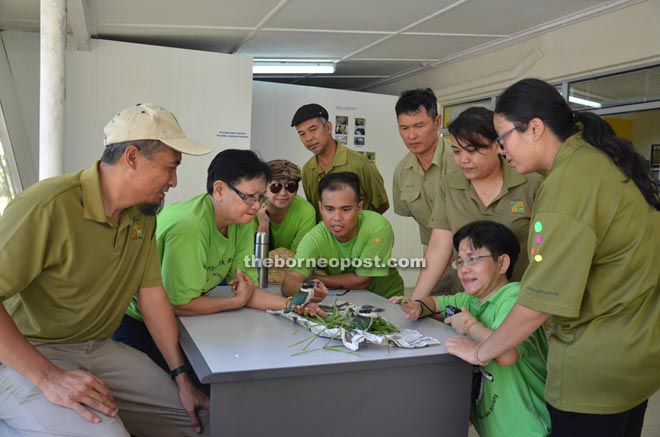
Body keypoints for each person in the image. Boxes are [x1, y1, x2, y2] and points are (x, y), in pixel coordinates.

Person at [446, 78, 660, 437]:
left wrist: (479, 352)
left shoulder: (566, 186)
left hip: (594, 368)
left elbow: (538, 301)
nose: (501, 150)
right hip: (636, 357)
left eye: (503, 138)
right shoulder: (602, 164)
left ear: (534, 128)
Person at [0, 103, 210, 436]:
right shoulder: (45, 206)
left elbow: (151, 294)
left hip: (99, 346)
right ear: (132, 157)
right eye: (170, 167)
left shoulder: (143, 216)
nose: (173, 180)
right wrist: (47, 376)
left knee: (198, 423)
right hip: (26, 353)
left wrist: (182, 376)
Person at [114, 150, 298, 369]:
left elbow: (247, 290)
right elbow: (179, 303)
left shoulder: (240, 223)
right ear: (219, 189)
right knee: (153, 386)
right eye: (249, 197)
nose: (257, 206)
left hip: (183, 316)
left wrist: (291, 306)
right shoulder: (190, 227)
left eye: (260, 198)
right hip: (135, 319)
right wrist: (233, 302)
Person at [393, 221, 550, 437]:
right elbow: (437, 304)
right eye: (460, 261)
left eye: (474, 259)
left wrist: (470, 325)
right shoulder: (470, 299)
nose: (464, 269)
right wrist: (418, 306)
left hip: (527, 426)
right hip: (496, 427)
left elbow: (507, 355)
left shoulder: (512, 297)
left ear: (502, 263)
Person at [410, 106, 544, 299]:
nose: (463, 160)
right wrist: (416, 301)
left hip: (516, 303)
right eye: (456, 151)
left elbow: (545, 251)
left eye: (472, 151)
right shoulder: (449, 186)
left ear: (498, 145)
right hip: (465, 300)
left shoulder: (531, 184)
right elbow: (440, 245)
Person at [282, 172, 404, 300]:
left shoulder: (377, 228)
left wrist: (314, 278)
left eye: (345, 209)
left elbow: (361, 281)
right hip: (345, 300)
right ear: (321, 208)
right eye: (329, 209)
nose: (337, 218)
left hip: (387, 298)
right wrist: (305, 290)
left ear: (359, 207)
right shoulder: (315, 237)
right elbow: (288, 283)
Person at [291, 103, 389, 221]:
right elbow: (316, 211)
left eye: (313, 129)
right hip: (326, 238)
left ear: (328, 127)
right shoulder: (307, 169)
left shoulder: (361, 164)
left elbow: (382, 205)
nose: (308, 138)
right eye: (302, 134)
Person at [393, 88, 456, 246]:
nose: (411, 136)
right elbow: (410, 214)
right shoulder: (402, 171)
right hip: (432, 251)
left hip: (473, 252)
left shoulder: (461, 160)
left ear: (437, 122)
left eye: (419, 126)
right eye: (404, 128)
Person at [255, 159, 316, 252]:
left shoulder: (306, 211)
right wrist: (263, 224)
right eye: (275, 187)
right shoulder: (251, 208)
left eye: (290, 187)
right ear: (263, 188)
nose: (283, 193)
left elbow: (299, 255)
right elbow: (252, 254)